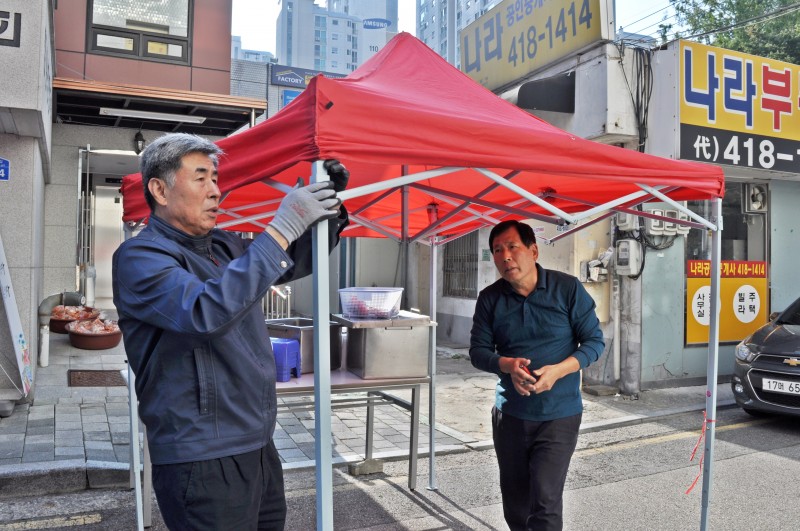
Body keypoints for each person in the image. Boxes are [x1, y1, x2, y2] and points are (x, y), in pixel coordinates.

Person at [112, 133, 350, 530]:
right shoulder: (140, 256)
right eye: (201, 178)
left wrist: (328, 207)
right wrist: (283, 223)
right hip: (200, 454)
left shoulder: (223, 246)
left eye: (216, 179)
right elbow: (205, 310)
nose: (215, 191)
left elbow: (289, 260)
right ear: (159, 189)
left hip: (256, 444)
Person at [469, 219, 604, 531]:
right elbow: (477, 351)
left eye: (512, 247)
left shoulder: (567, 288)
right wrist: (507, 365)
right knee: (516, 504)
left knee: (544, 501)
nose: (505, 256)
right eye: (497, 250)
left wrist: (558, 371)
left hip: (559, 415)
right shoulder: (490, 298)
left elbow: (595, 342)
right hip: (511, 415)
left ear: (533, 250)